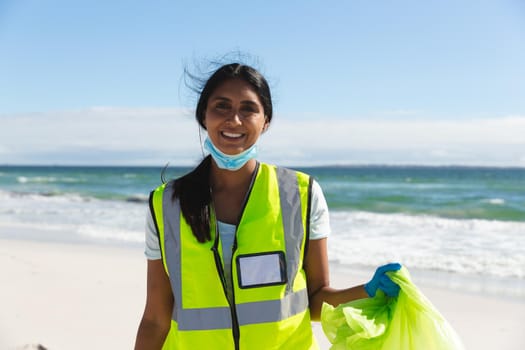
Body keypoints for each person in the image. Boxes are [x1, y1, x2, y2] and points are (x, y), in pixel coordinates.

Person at [134, 62, 401, 349]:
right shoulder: (167, 205)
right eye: (221, 106)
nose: (234, 120)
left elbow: (315, 301)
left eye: (248, 108)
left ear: (266, 121)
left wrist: (367, 292)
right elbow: (155, 319)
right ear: (204, 116)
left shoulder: (301, 195)